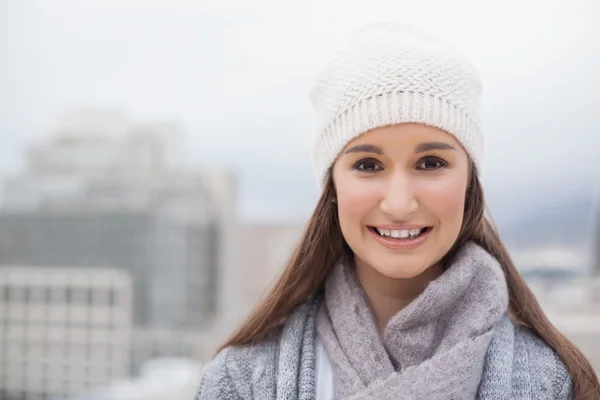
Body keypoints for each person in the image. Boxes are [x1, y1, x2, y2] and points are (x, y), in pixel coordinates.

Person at [196, 23, 600, 399]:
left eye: (431, 163)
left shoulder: (550, 384)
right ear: (332, 186)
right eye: (368, 166)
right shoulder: (242, 381)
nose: (400, 203)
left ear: (469, 182)